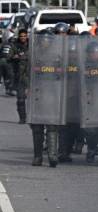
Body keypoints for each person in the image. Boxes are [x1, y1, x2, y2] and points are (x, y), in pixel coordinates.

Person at [29, 29, 61, 168]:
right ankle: (37, 156)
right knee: (37, 127)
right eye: (43, 40)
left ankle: (52, 155)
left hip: (52, 93)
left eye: (47, 40)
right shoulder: (33, 53)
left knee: (52, 126)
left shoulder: (58, 55)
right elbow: (26, 71)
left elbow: (63, 74)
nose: (45, 42)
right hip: (37, 93)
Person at [11, 29, 29, 124]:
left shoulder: (32, 45)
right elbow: (9, 57)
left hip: (31, 77)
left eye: (24, 36)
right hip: (20, 77)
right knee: (21, 100)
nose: (23, 37)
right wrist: (15, 57)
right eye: (21, 36)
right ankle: (22, 118)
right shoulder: (15, 46)